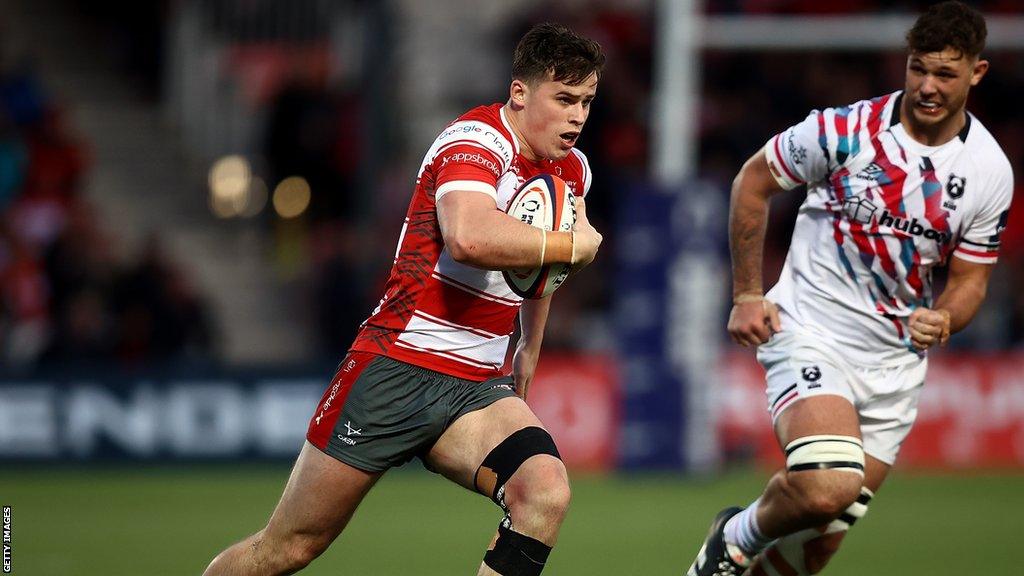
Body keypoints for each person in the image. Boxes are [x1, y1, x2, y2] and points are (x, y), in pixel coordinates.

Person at [203, 23, 604, 576]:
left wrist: (529, 346)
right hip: (396, 366)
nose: (577, 116)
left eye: (586, 101)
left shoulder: (572, 170)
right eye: (564, 99)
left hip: (475, 386)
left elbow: (543, 270)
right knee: (289, 547)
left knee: (544, 492)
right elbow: (470, 235)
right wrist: (572, 243)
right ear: (519, 92)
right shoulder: (474, 142)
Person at [685, 3, 1012, 575]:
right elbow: (753, 182)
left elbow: (970, 282)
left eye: (945, 74)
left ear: (977, 73)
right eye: (918, 69)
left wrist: (947, 318)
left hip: (894, 366)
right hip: (811, 331)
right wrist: (746, 294)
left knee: (810, 552)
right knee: (826, 487)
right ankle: (734, 535)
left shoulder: (989, 171)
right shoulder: (845, 130)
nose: (927, 87)